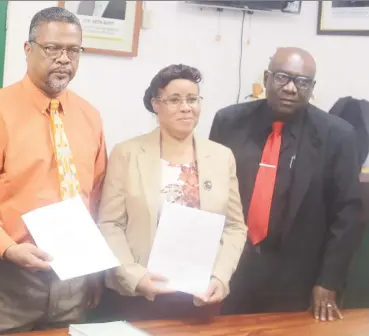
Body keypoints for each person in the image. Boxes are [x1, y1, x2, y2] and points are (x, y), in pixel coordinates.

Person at [0, 7, 108, 336]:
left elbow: (96, 194)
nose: (64, 59)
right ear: (28, 50)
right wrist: (8, 248)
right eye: (52, 48)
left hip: (73, 278)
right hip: (9, 280)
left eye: (73, 50)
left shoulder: (90, 117)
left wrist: (94, 270)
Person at [210, 47, 364, 321]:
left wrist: (329, 281)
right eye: (283, 77)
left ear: (312, 87)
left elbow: (347, 215)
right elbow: (210, 191)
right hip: (231, 266)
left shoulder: (337, 135)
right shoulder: (229, 122)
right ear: (267, 78)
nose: (291, 88)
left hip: (297, 275)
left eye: (302, 82)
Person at [94, 64, 248, 322]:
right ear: (156, 104)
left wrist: (220, 277)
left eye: (192, 99)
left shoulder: (221, 157)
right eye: (175, 100)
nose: (186, 107)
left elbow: (235, 227)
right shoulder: (128, 153)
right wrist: (135, 276)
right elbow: (110, 223)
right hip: (139, 295)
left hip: (200, 295)